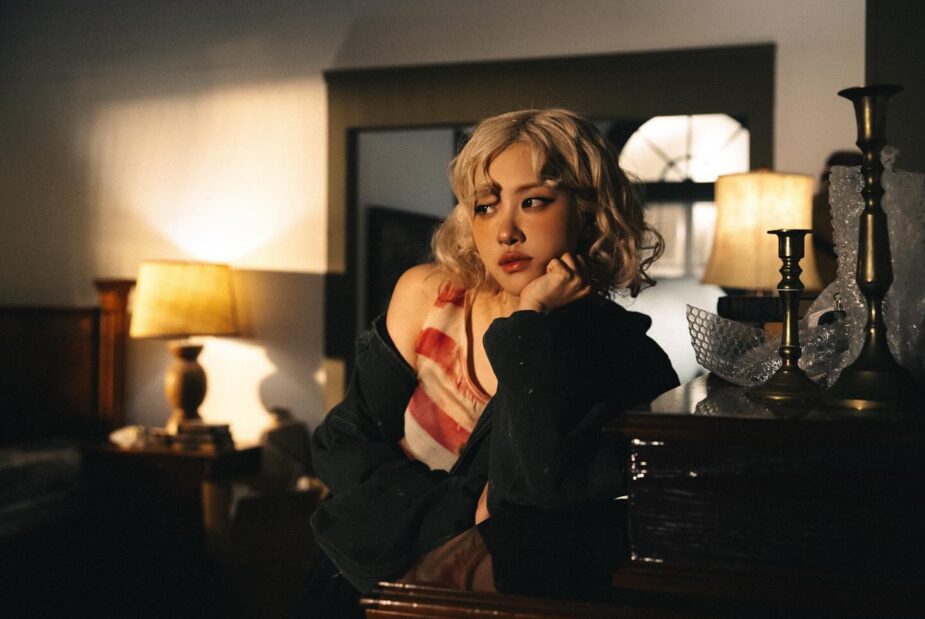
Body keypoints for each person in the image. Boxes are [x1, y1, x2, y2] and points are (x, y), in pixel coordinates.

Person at [304, 108, 679, 613]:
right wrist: (461, 511)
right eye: (485, 206)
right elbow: (342, 446)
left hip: (497, 601)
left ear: (589, 211)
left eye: (534, 201)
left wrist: (532, 319)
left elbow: (530, 495)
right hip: (363, 581)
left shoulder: (618, 350)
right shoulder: (429, 295)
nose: (506, 231)